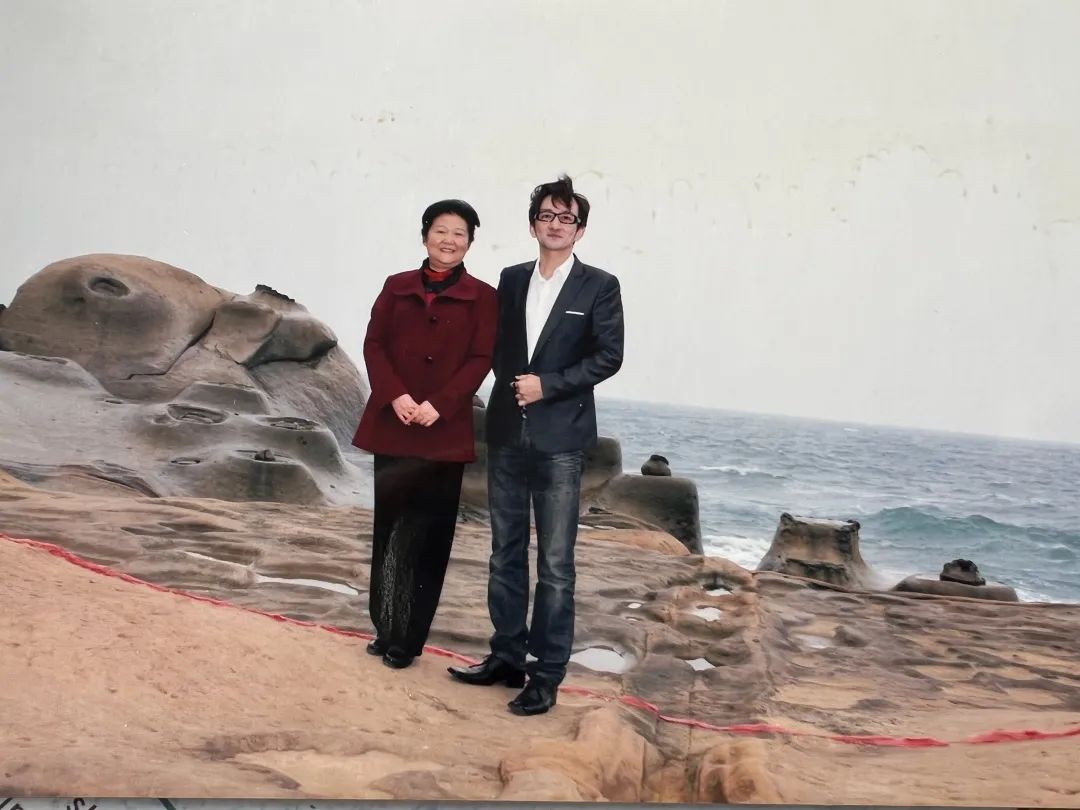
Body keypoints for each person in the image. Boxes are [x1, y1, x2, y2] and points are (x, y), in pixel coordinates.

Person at [448, 175, 624, 715]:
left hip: (561, 439)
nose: (555, 225)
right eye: (547, 215)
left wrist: (547, 386)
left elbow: (608, 356)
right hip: (506, 433)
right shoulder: (512, 278)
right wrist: (506, 383)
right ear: (533, 225)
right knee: (504, 552)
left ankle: (546, 675)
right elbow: (496, 345)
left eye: (566, 218)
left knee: (554, 563)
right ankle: (506, 656)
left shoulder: (600, 286)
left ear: (580, 229)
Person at [351, 199, 497, 670]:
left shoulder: (483, 296)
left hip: (442, 431)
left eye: (459, 233)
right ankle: (384, 627)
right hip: (394, 424)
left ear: (469, 242)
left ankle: (408, 640)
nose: (448, 240)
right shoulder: (396, 286)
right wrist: (395, 395)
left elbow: (481, 358)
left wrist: (441, 405)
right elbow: (374, 344)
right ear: (425, 235)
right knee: (390, 530)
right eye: (440, 230)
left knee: (429, 538)